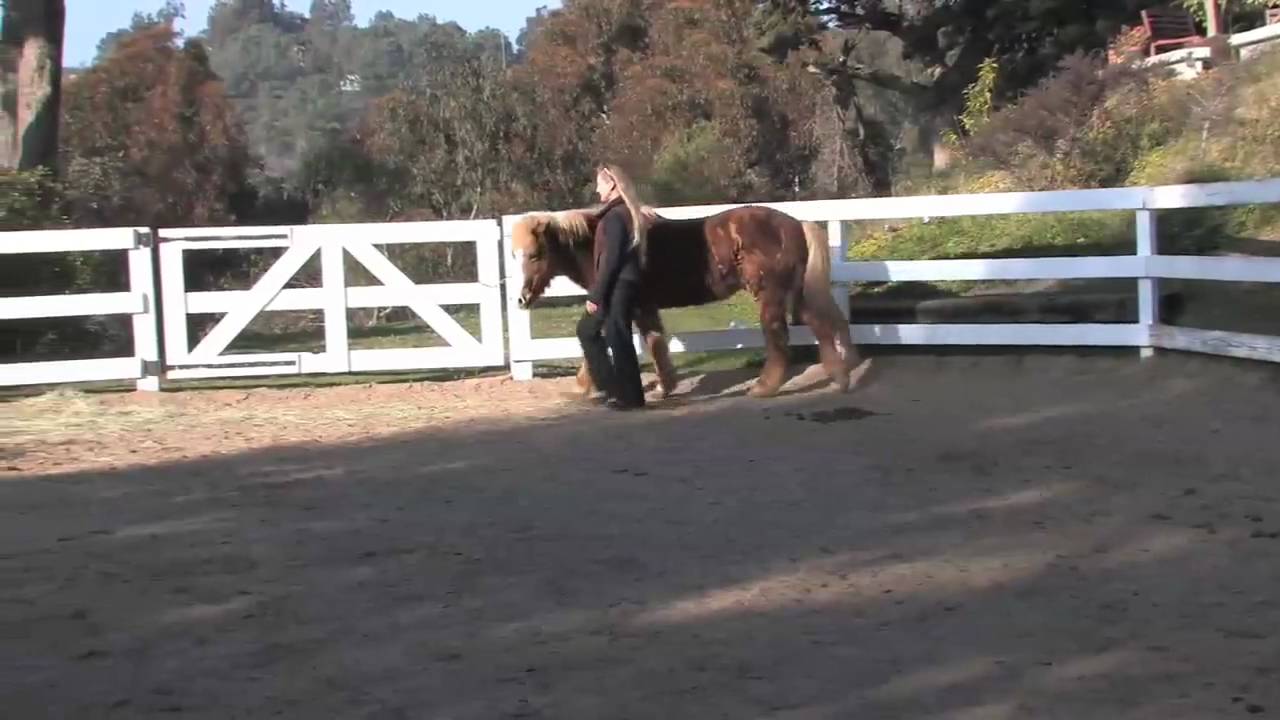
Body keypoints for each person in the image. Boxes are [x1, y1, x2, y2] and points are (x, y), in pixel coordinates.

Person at [577, 165, 648, 410]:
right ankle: (623, 393)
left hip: (617, 284)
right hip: (622, 283)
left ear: (612, 184)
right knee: (610, 335)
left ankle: (623, 394)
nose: (597, 190)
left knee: (610, 335)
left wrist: (596, 294)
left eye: (600, 184)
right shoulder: (624, 212)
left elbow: (612, 259)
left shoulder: (615, 217)